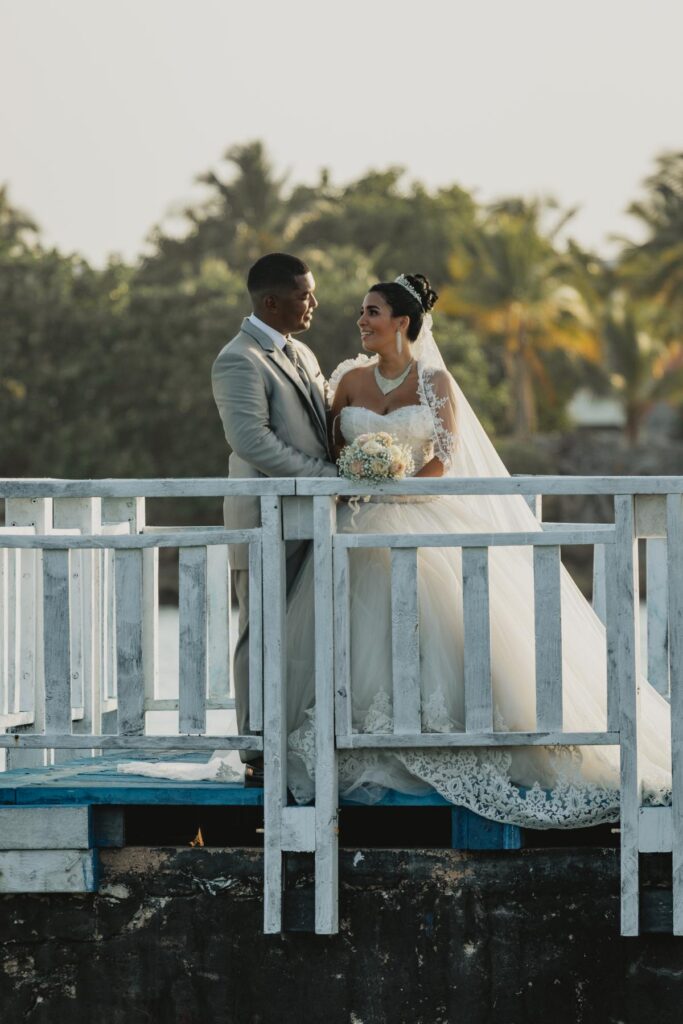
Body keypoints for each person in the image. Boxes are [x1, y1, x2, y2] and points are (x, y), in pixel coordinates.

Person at [282, 273, 672, 827]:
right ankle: (368, 745)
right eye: (362, 312)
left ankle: (464, 739)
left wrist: (397, 470)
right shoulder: (348, 382)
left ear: (403, 322)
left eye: (372, 312)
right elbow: (335, 453)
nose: (362, 321)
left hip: (424, 512)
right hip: (361, 521)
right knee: (357, 617)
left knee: (438, 604)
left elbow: (443, 458)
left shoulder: (434, 381)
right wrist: (363, 472)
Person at [211, 253, 337, 784]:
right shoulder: (239, 359)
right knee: (259, 631)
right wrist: (325, 476)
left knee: (307, 633)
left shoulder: (302, 352)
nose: (313, 302)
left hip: (312, 519)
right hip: (265, 517)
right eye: (304, 295)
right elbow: (253, 441)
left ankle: (302, 737)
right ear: (270, 301)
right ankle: (258, 749)